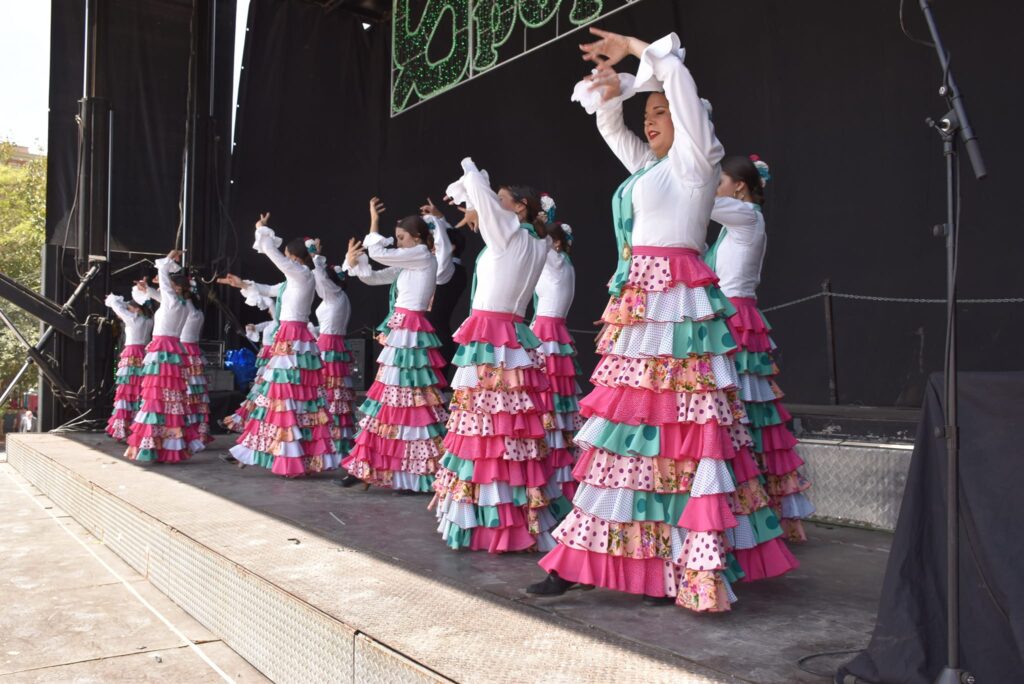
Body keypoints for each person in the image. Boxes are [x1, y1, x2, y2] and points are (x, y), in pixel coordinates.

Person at [530, 28, 796, 612]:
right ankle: (602, 560)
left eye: (659, 111)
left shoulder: (696, 165)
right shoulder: (650, 172)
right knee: (630, 438)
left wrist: (638, 52)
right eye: (646, 112)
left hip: (678, 308)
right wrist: (610, 91)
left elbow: (678, 84)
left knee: (684, 439)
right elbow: (610, 128)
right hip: (641, 307)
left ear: (686, 115)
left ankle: (673, 561)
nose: (649, 120)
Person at [431, 158, 570, 553]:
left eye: (503, 200)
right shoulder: (537, 241)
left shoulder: (509, 233)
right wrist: (473, 200)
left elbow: (482, 191)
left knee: (486, 430)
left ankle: (487, 523)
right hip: (512, 336)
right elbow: (485, 204)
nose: (495, 204)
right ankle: (517, 517)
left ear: (519, 207)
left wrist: (469, 172)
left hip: (491, 339)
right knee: (512, 432)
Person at [707, 154, 815, 543]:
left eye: (720, 180)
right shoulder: (738, 220)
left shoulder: (746, 215)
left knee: (739, 415)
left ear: (738, 185)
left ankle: (751, 513)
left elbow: (700, 199)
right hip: (731, 314)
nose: (715, 185)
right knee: (743, 414)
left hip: (736, 317)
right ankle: (751, 512)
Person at [339, 198, 448, 491]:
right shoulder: (409, 262)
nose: (398, 243)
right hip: (403, 330)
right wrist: (355, 262)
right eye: (397, 238)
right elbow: (373, 276)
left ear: (417, 238)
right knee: (393, 399)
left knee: (409, 399)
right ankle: (373, 467)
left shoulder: (423, 254)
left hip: (410, 331)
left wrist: (373, 223)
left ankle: (413, 473)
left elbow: (377, 252)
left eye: (401, 238)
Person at [226, 214, 334, 476]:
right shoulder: (293, 280)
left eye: (286, 254)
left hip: (294, 337)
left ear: (292, 255)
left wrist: (263, 231)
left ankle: (291, 457)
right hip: (289, 336)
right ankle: (278, 453)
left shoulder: (301, 274)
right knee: (285, 395)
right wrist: (243, 284)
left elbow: (275, 257)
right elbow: (269, 289)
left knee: (288, 394)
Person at [531, 200, 583, 502]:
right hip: (548, 332)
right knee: (552, 401)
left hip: (548, 334)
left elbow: (541, 245)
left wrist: (536, 222)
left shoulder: (558, 262)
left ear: (559, 243)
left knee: (548, 398)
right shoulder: (556, 265)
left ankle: (551, 466)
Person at [124, 251, 193, 463]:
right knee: (168, 399)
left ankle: (153, 445)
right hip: (172, 350)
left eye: (170, 285)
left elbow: (163, 281)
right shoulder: (181, 304)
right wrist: (148, 289)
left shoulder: (172, 300)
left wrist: (167, 262)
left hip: (163, 349)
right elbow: (161, 295)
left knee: (155, 399)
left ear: (176, 287)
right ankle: (167, 447)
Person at [310, 241, 357, 470]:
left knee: (328, 395)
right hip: (331, 342)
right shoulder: (339, 298)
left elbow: (319, 279)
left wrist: (316, 257)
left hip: (329, 346)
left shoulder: (333, 295)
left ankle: (330, 446)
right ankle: (337, 445)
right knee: (335, 395)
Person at [422, 198, 467, 380]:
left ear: (452, 247)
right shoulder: (452, 266)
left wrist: (437, 221)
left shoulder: (447, 267)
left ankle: (441, 376)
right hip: (438, 329)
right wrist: (440, 219)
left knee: (437, 324)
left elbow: (444, 246)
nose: (433, 245)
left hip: (437, 332)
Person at [104, 292, 154, 441]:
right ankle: (136, 426)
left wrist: (113, 300)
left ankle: (123, 429)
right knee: (139, 390)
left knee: (126, 391)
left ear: (136, 309)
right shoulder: (149, 320)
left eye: (131, 307)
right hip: (144, 353)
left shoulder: (132, 319)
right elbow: (124, 309)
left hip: (132, 353)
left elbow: (118, 309)